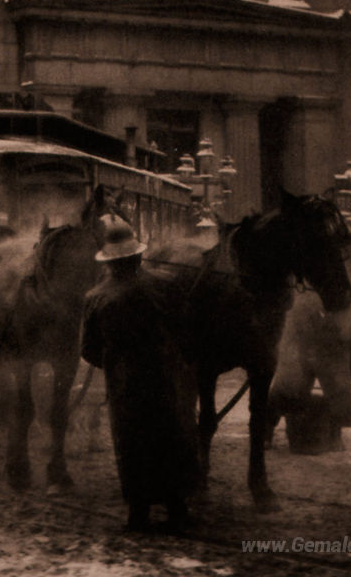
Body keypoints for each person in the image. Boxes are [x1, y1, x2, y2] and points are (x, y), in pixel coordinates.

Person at [80, 221, 199, 532]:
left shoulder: (95, 296)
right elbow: (185, 328)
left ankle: (138, 513)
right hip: (163, 374)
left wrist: (116, 364)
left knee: (131, 442)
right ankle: (177, 508)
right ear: (137, 256)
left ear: (109, 261)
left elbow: (89, 350)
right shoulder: (165, 285)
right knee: (169, 436)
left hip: (124, 382)